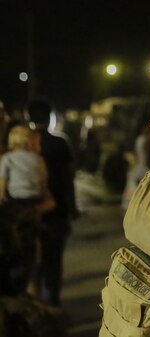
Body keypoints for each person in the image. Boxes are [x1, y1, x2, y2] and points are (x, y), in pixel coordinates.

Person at [27, 99, 78, 306]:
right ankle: (53, 300)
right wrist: (72, 206)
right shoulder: (60, 143)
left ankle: (37, 303)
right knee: (54, 258)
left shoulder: (23, 142)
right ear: (50, 118)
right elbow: (68, 177)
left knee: (33, 259)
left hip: (29, 210)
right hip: (57, 209)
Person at [0, 125, 55, 297]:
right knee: (30, 249)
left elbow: (2, 185)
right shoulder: (38, 160)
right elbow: (43, 185)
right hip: (34, 202)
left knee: (14, 246)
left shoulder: (7, 158)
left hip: (15, 203)